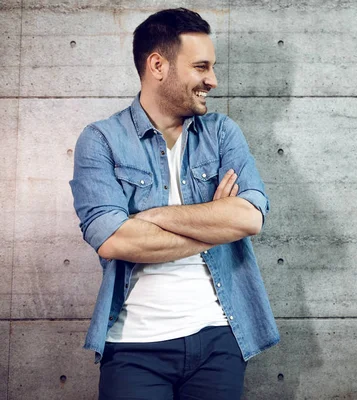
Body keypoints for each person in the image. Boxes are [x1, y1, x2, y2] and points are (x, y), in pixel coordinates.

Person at [69, 8, 279, 400]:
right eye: (201, 67)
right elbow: (114, 240)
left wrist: (151, 218)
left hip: (220, 339)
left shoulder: (221, 132)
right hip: (133, 347)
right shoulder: (100, 140)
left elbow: (249, 217)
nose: (212, 80)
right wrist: (215, 224)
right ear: (157, 65)